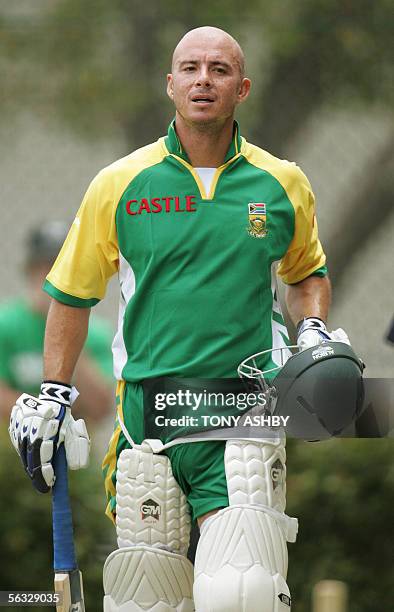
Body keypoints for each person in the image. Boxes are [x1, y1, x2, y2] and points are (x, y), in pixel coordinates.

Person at [9, 27, 351, 611]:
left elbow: (306, 273)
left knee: (240, 593)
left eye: (219, 70)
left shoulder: (282, 181)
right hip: (151, 420)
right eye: (190, 69)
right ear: (170, 85)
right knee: (148, 602)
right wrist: (53, 393)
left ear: (241, 88)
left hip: (243, 414)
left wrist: (312, 329)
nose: (203, 81)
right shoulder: (119, 183)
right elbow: (71, 294)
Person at [0, 221, 114, 423]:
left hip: (70, 444)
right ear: (29, 271)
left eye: (62, 266)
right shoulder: (6, 325)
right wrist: (42, 417)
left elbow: (101, 407)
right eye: (46, 267)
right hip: (9, 441)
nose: (54, 277)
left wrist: (67, 331)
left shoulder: (95, 332)